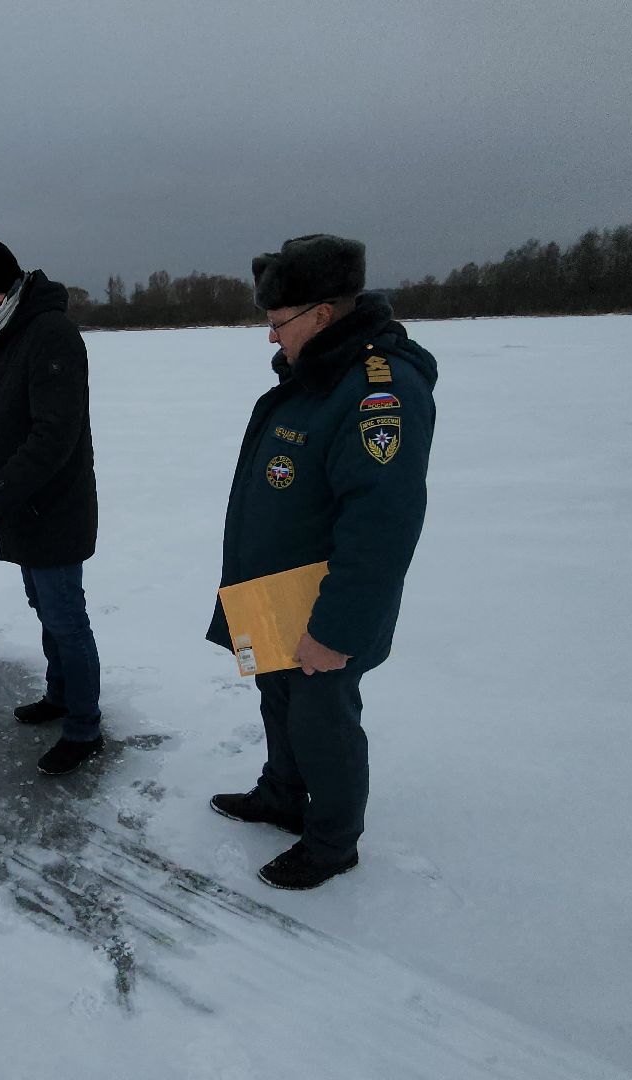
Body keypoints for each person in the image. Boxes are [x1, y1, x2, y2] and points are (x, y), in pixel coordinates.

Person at [206, 234, 438, 889]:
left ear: (322, 315)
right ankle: (283, 794)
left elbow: (381, 528)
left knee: (322, 719)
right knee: (278, 701)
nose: (270, 336)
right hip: (275, 591)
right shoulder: (316, 376)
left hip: (322, 602)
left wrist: (336, 631)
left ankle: (333, 841)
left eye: (278, 321)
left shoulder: (376, 394)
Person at [0, 237, 104, 776]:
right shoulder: (11, 334)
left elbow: (54, 434)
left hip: (53, 508)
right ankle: (60, 696)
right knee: (46, 609)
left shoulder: (50, 334)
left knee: (65, 617)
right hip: (28, 508)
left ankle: (84, 728)